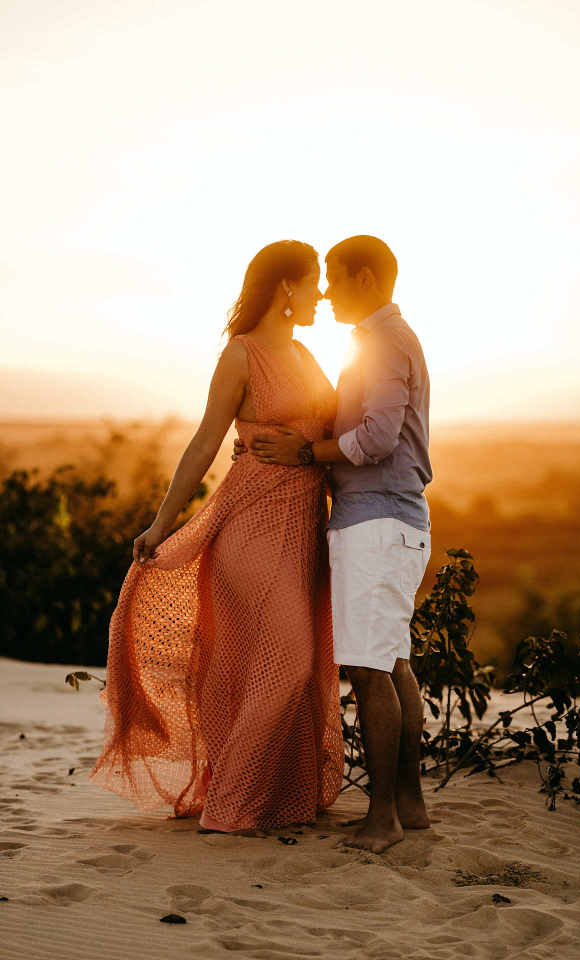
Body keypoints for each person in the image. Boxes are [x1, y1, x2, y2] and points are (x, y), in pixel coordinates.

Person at [89, 240, 344, 835]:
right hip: (250, 527)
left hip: (305, 528)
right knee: (288, 662)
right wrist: (161, 523)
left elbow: (334, 429)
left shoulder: (307, 353)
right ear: (285, 287)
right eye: (313, 283)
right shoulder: (241, 355)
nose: (321, 295)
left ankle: (273, 792)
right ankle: (230, 808)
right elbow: (205, 443)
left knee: (279, 668)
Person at [247, 235, 433, 853]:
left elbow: (375, 438)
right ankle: (408, 802)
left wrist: (305, 452)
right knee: (393, 660)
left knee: (369, 668)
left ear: (366, 276)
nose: (325, 290)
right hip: (393, 520)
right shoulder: (384, 341)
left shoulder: (383, 343)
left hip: (375, 522)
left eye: (334, 276)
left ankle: (382, 819)